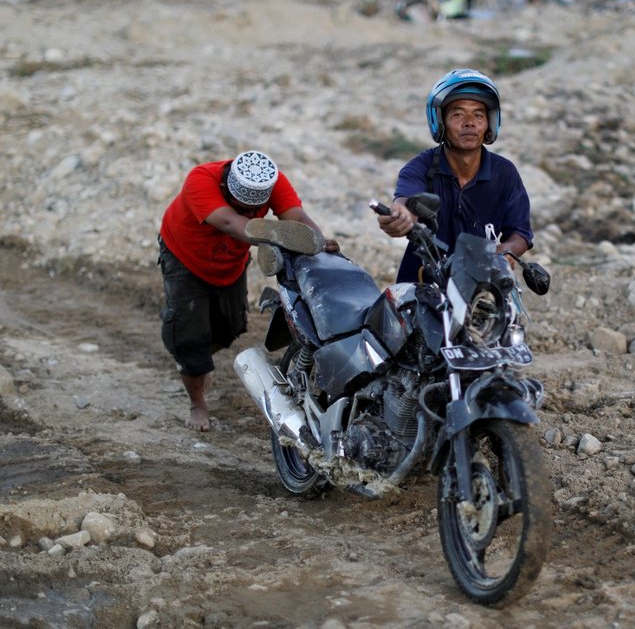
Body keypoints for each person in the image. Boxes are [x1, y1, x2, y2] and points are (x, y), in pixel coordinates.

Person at [158, 150, 339, 431]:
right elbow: (232, 223)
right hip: (184, 259)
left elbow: (295, 216)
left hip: (228, 262)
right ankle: (197, 399)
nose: (245, 211)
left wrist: (319, 242)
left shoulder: (272, 182)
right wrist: (281, 239)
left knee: (230, 329)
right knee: (190, 338)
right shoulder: (201, 181)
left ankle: (192, 355)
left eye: (251, 208)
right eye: (239, 205)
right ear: (226, 188)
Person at [377, 68, 533, 283]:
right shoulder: (420, 167)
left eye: (478, 115)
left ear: (489, 122)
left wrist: (505, 252)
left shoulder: (505, 173)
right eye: (458, 114)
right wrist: (401, 216)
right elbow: (405, 201)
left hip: (481, 284)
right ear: (440, 121)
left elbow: (520, 232)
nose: (469, 122)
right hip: (423, 285)